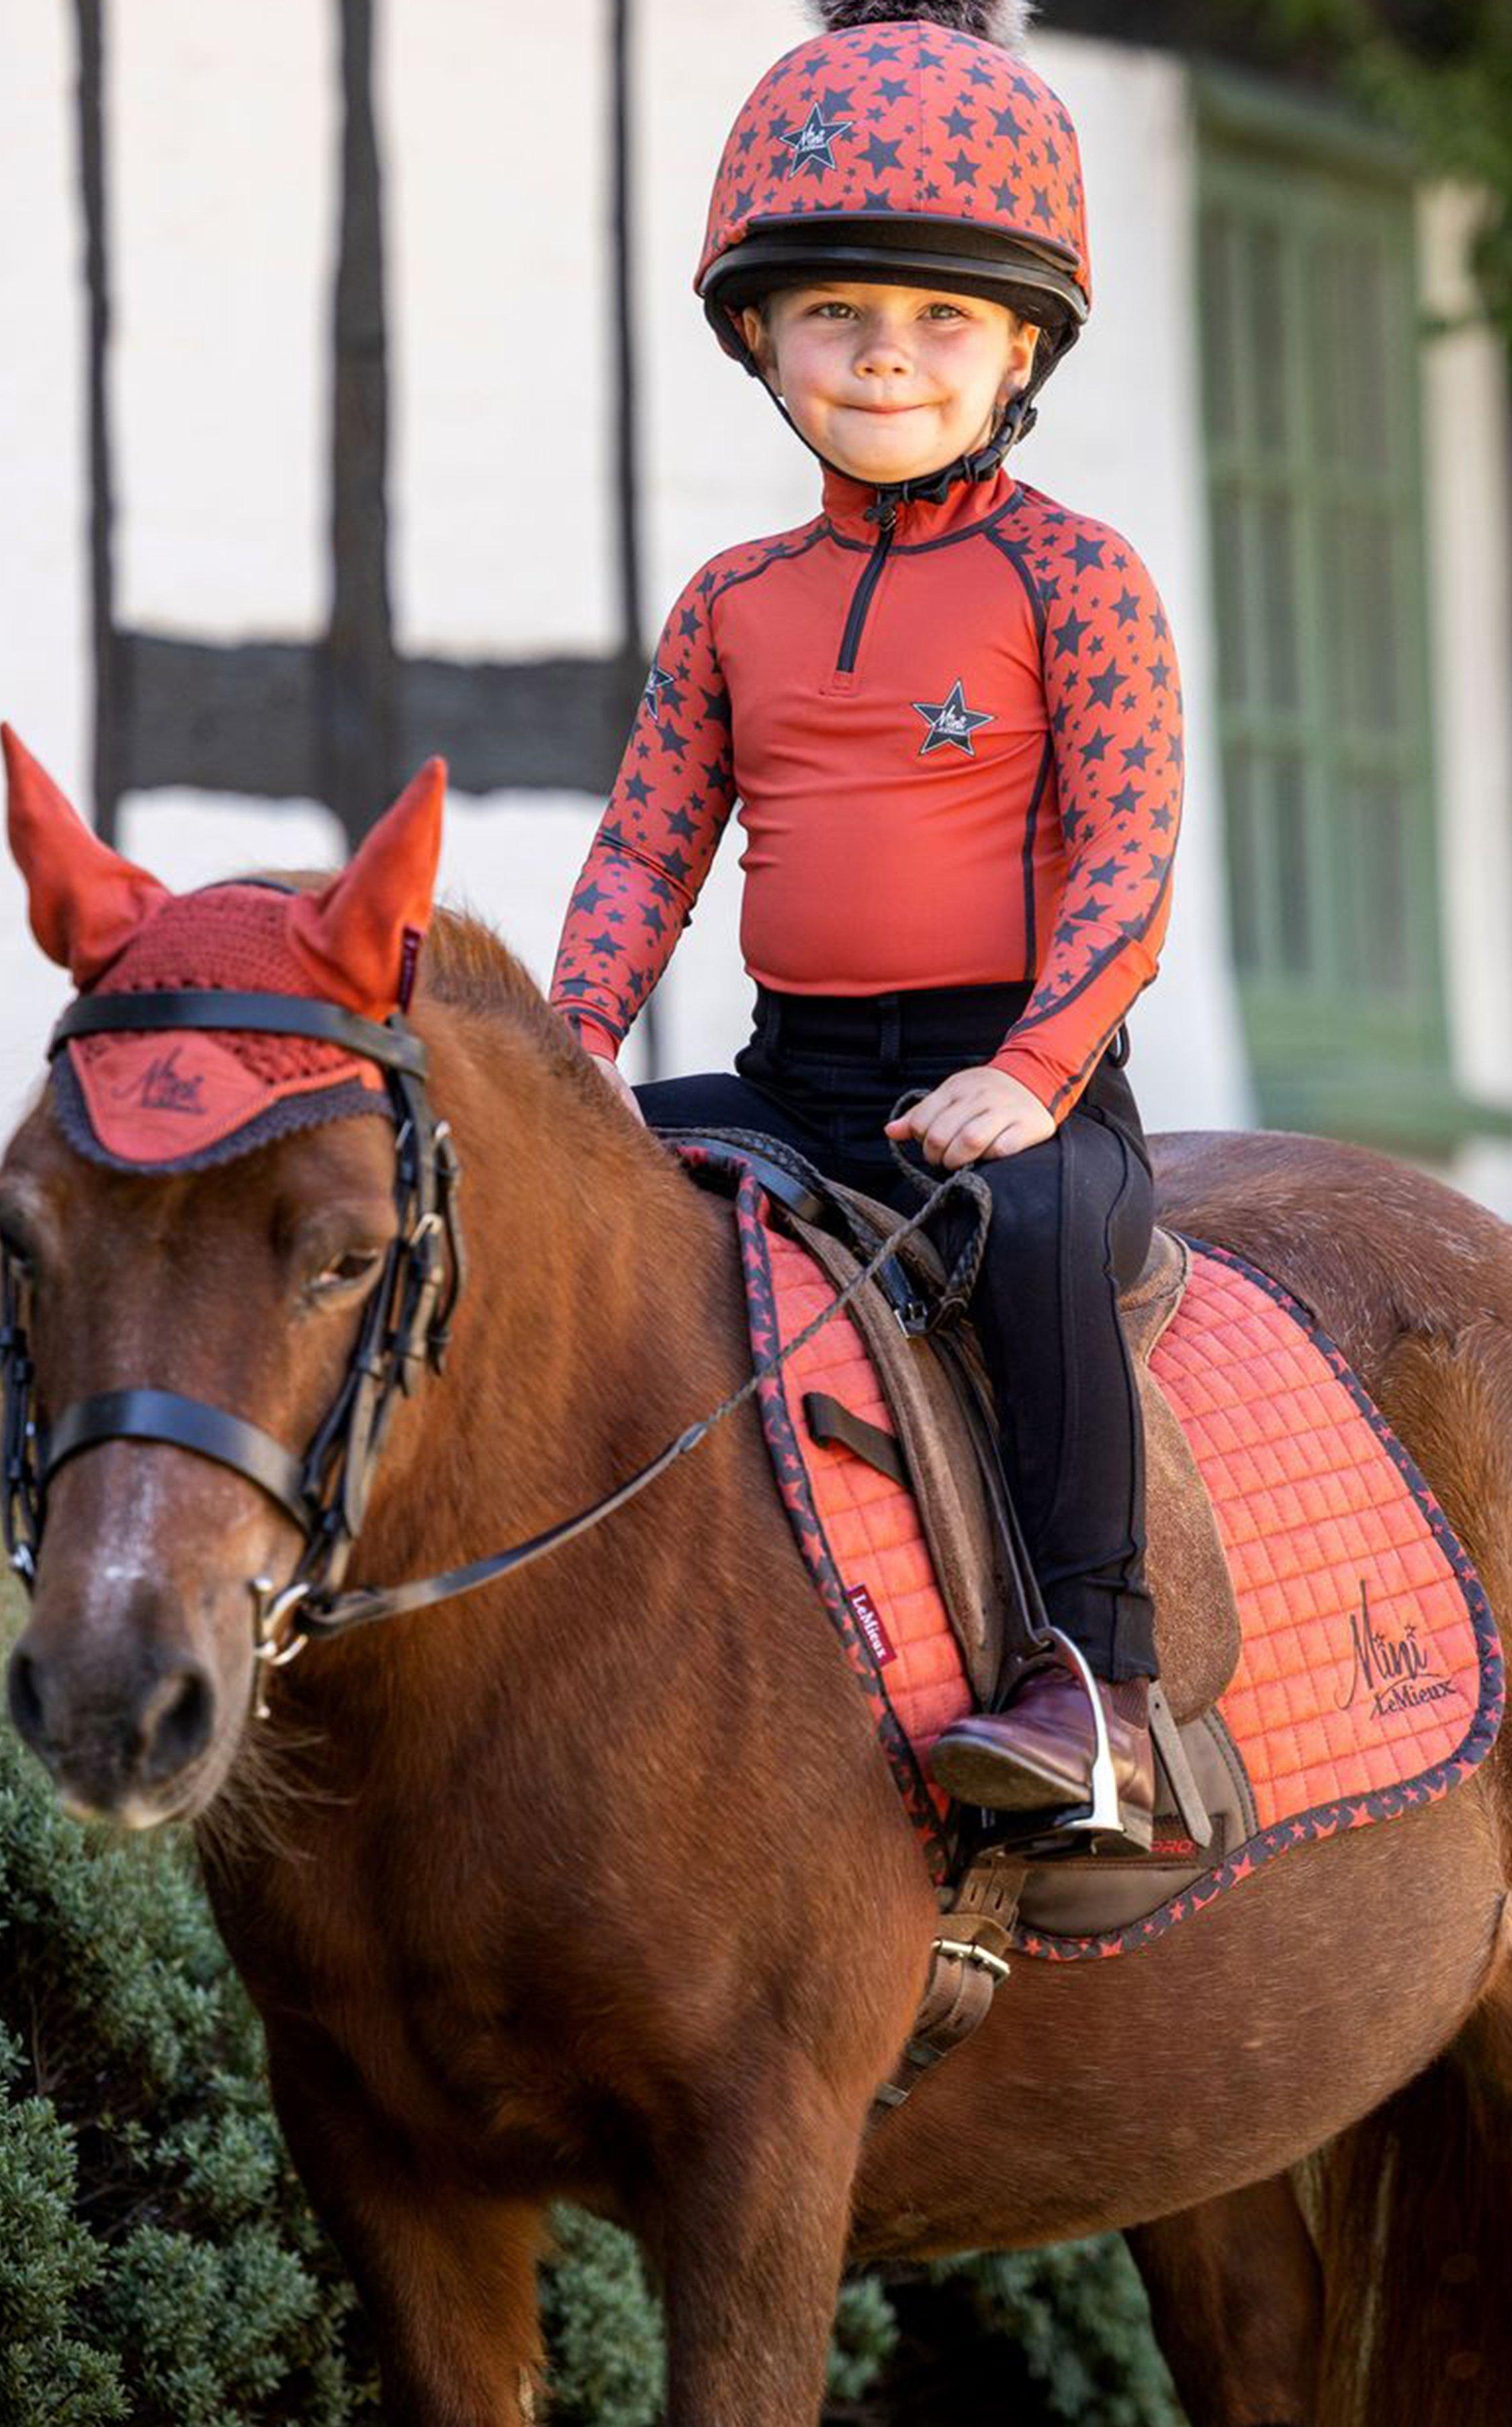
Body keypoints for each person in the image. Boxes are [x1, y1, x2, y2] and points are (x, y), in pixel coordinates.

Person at [547, 0, 1181, 1845]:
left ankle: (1098, 1691)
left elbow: (1128, 868)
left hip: (1017, 1086)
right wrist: (563, 1058)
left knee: (1045, 1243)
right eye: (836, 314)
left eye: (939, 322)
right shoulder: (731, 600)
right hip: (788, 1082)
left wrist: (1035, 1072)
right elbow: (646, 858)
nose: (883, 359)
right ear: (761, 335)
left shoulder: (1078, 576)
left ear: (1020, 348)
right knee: (525, 1208)